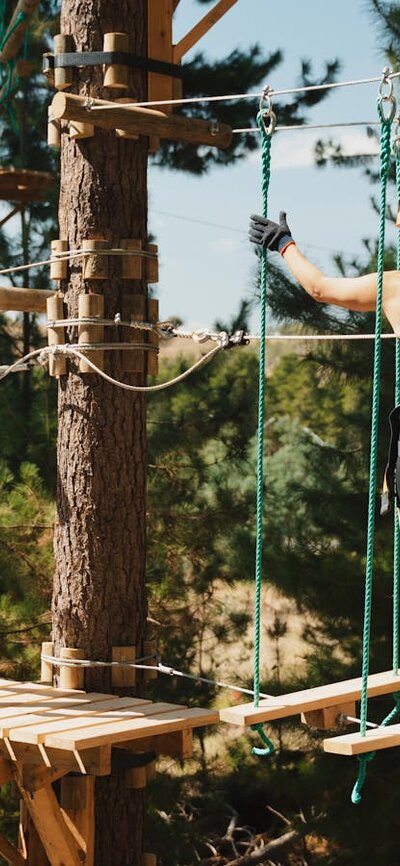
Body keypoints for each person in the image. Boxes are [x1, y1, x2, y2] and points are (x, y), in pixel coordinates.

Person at [249, 212, 400, 335]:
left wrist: (283, 243)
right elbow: (319, 288)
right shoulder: (393, 286)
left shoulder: (393, 286)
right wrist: (283, 243)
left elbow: (319, 288)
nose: (397, 223)